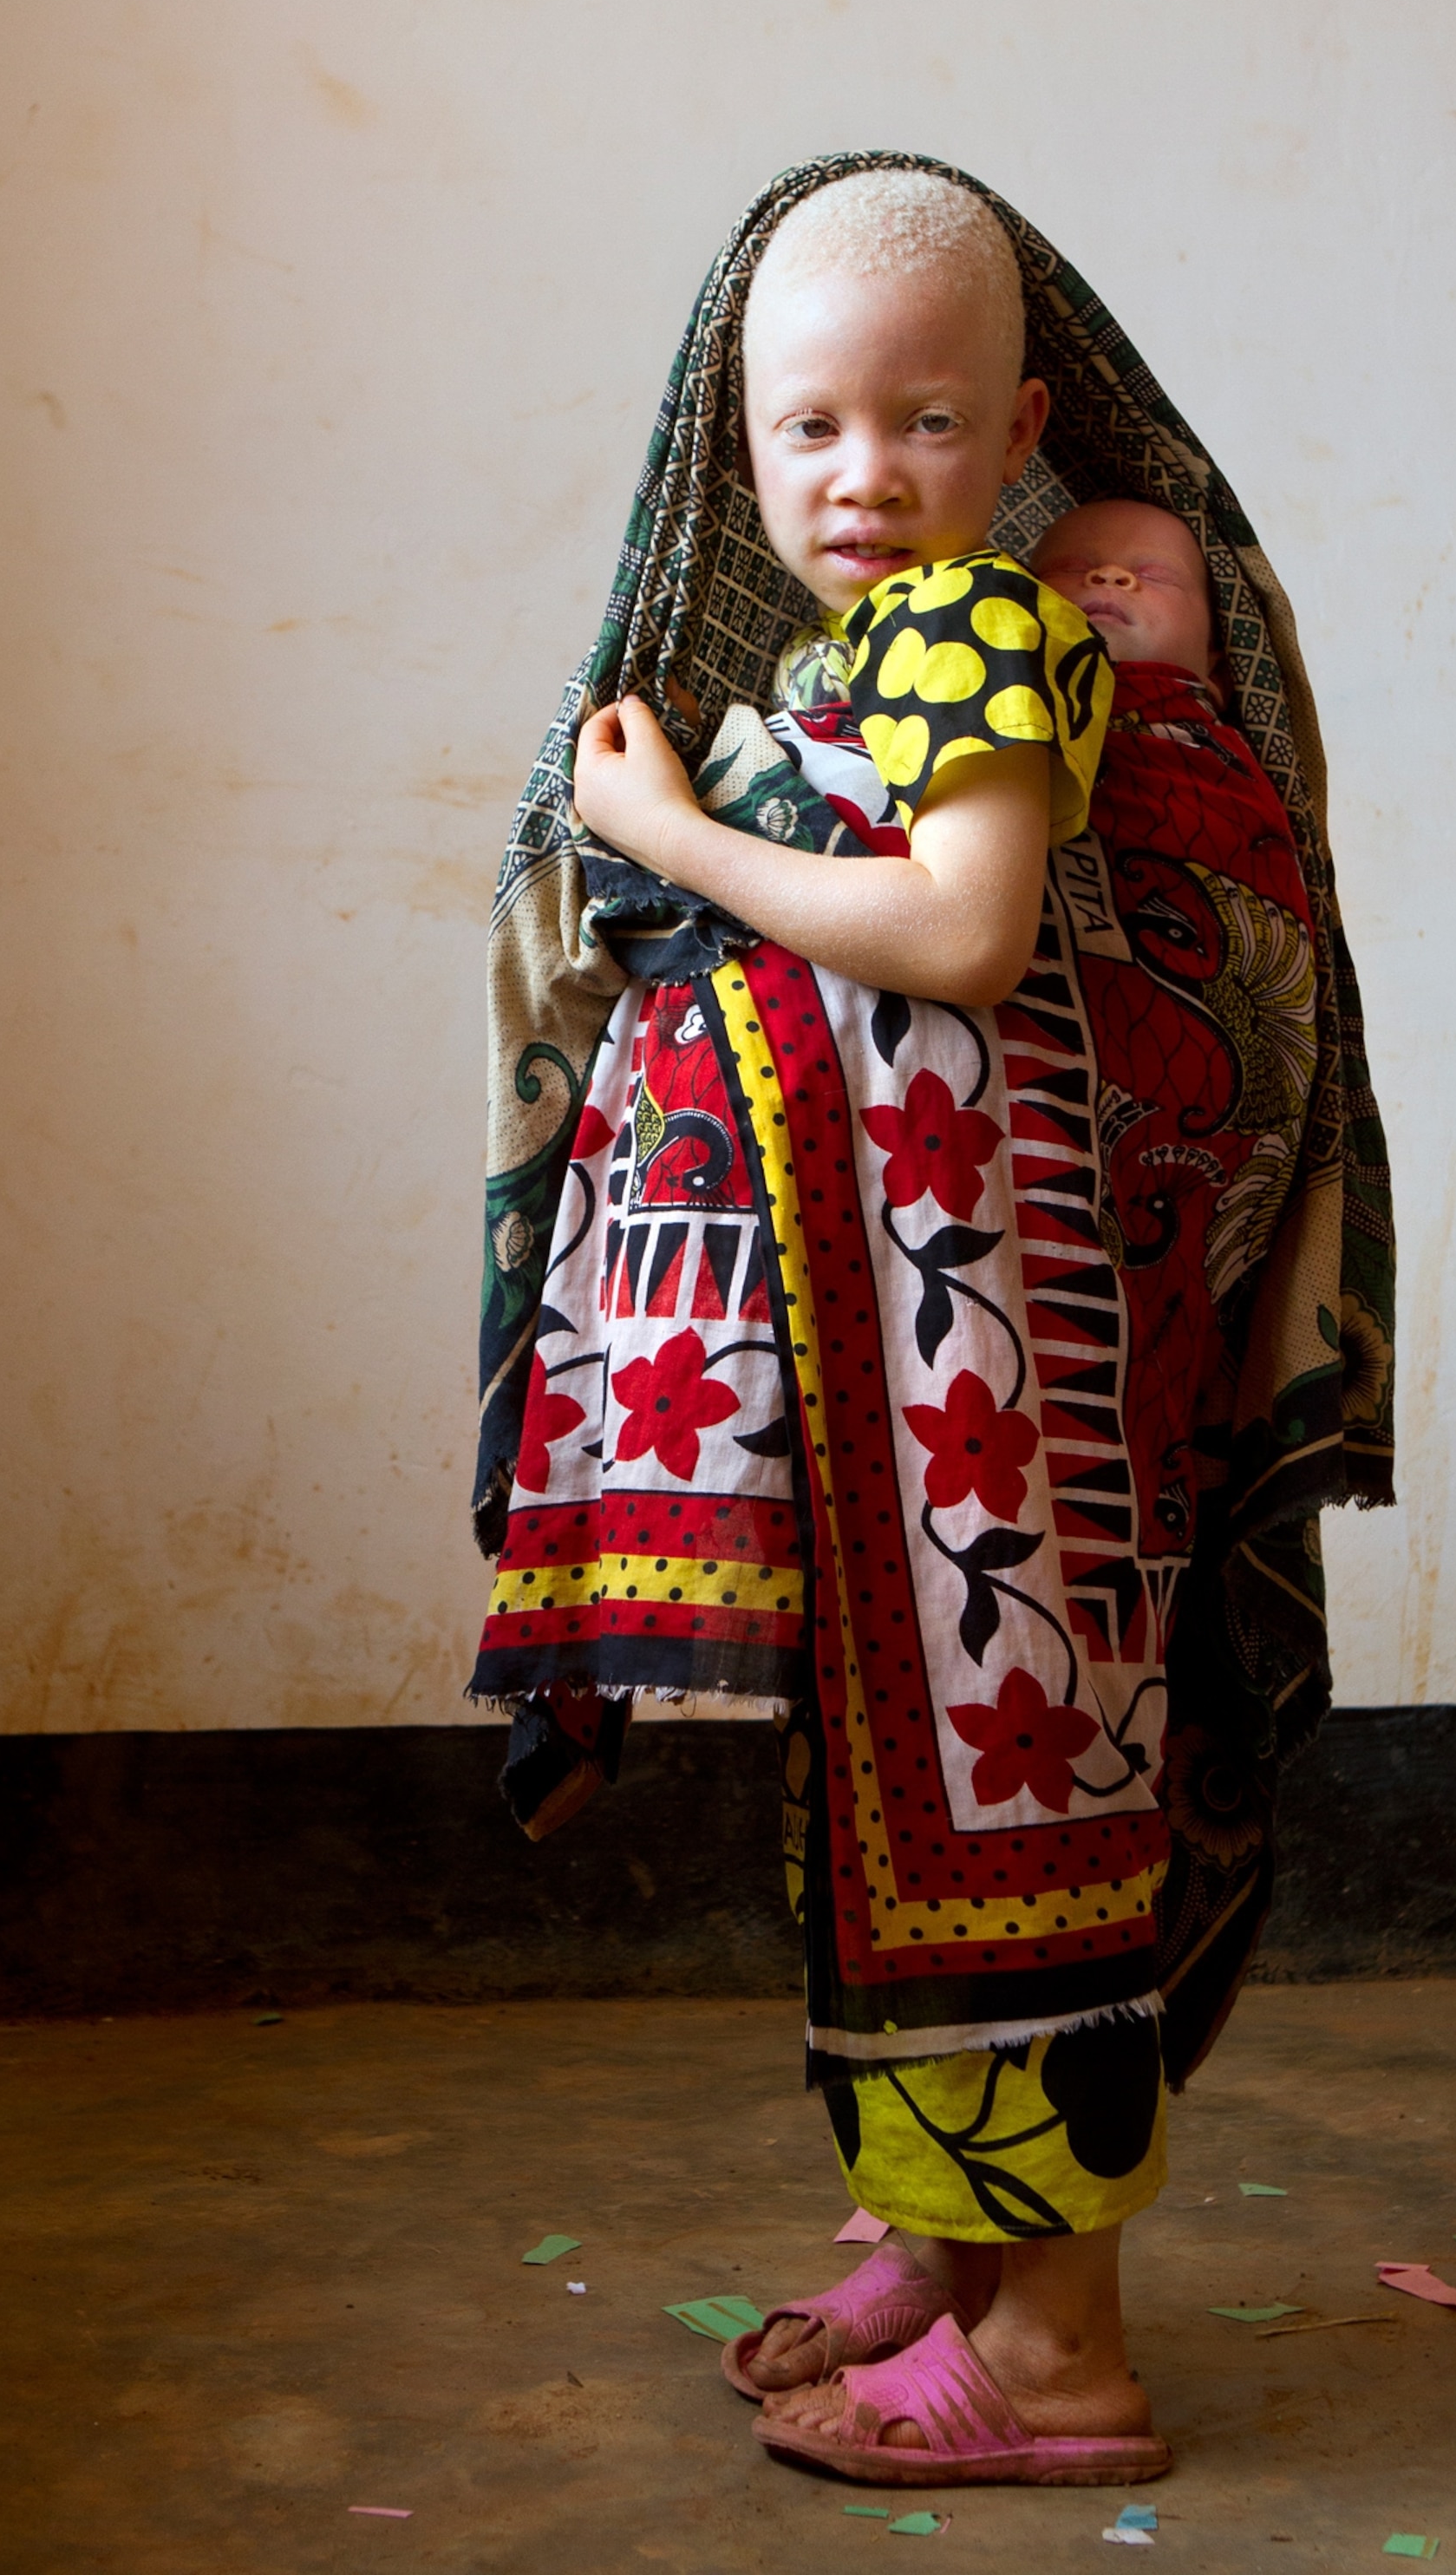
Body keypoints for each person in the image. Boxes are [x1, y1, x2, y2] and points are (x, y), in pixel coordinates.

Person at [468, 159, 1395, 2489]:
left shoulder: (982, 633)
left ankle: (1058, 2349)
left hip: (1009, 1371)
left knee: (1021, 1811)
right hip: (925, 1348)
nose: (865, 476)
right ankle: (945, 2229)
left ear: (1024, 429)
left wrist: (674, 841)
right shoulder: (857, 656)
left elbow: (970, 937)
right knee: (892, 1811)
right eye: (811, 430)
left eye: (925, 421)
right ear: (736, 442)